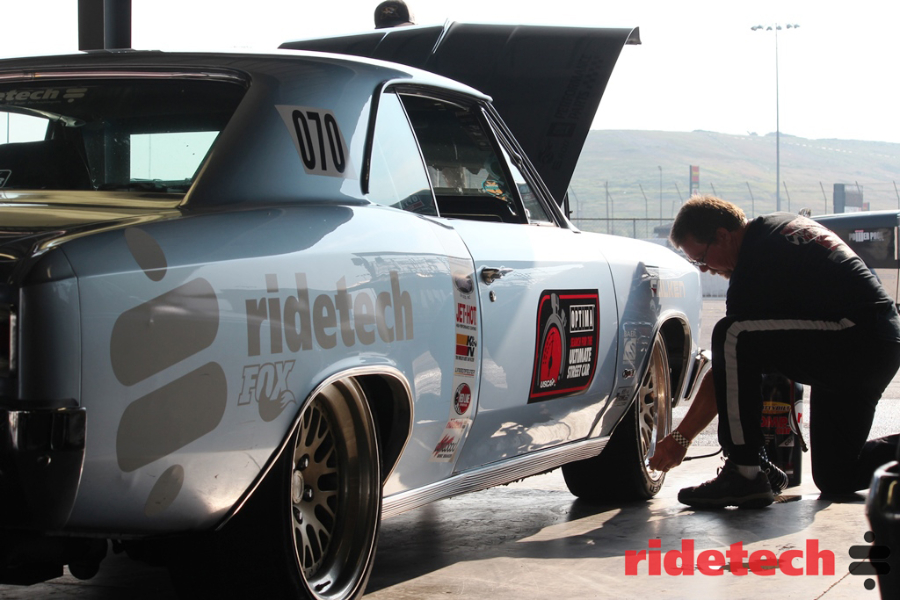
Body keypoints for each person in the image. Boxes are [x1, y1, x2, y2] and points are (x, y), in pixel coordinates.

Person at [649, 194, 900, 508]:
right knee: (837, 475)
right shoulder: (778, 226)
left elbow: (727, 365)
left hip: (854, 337)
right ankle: (752, 465)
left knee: (731, 334)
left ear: (723, 236)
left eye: (701, 258)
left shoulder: (755, 261)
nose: (705, 270)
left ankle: (744, 472)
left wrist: (681, 438)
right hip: (873, 342)